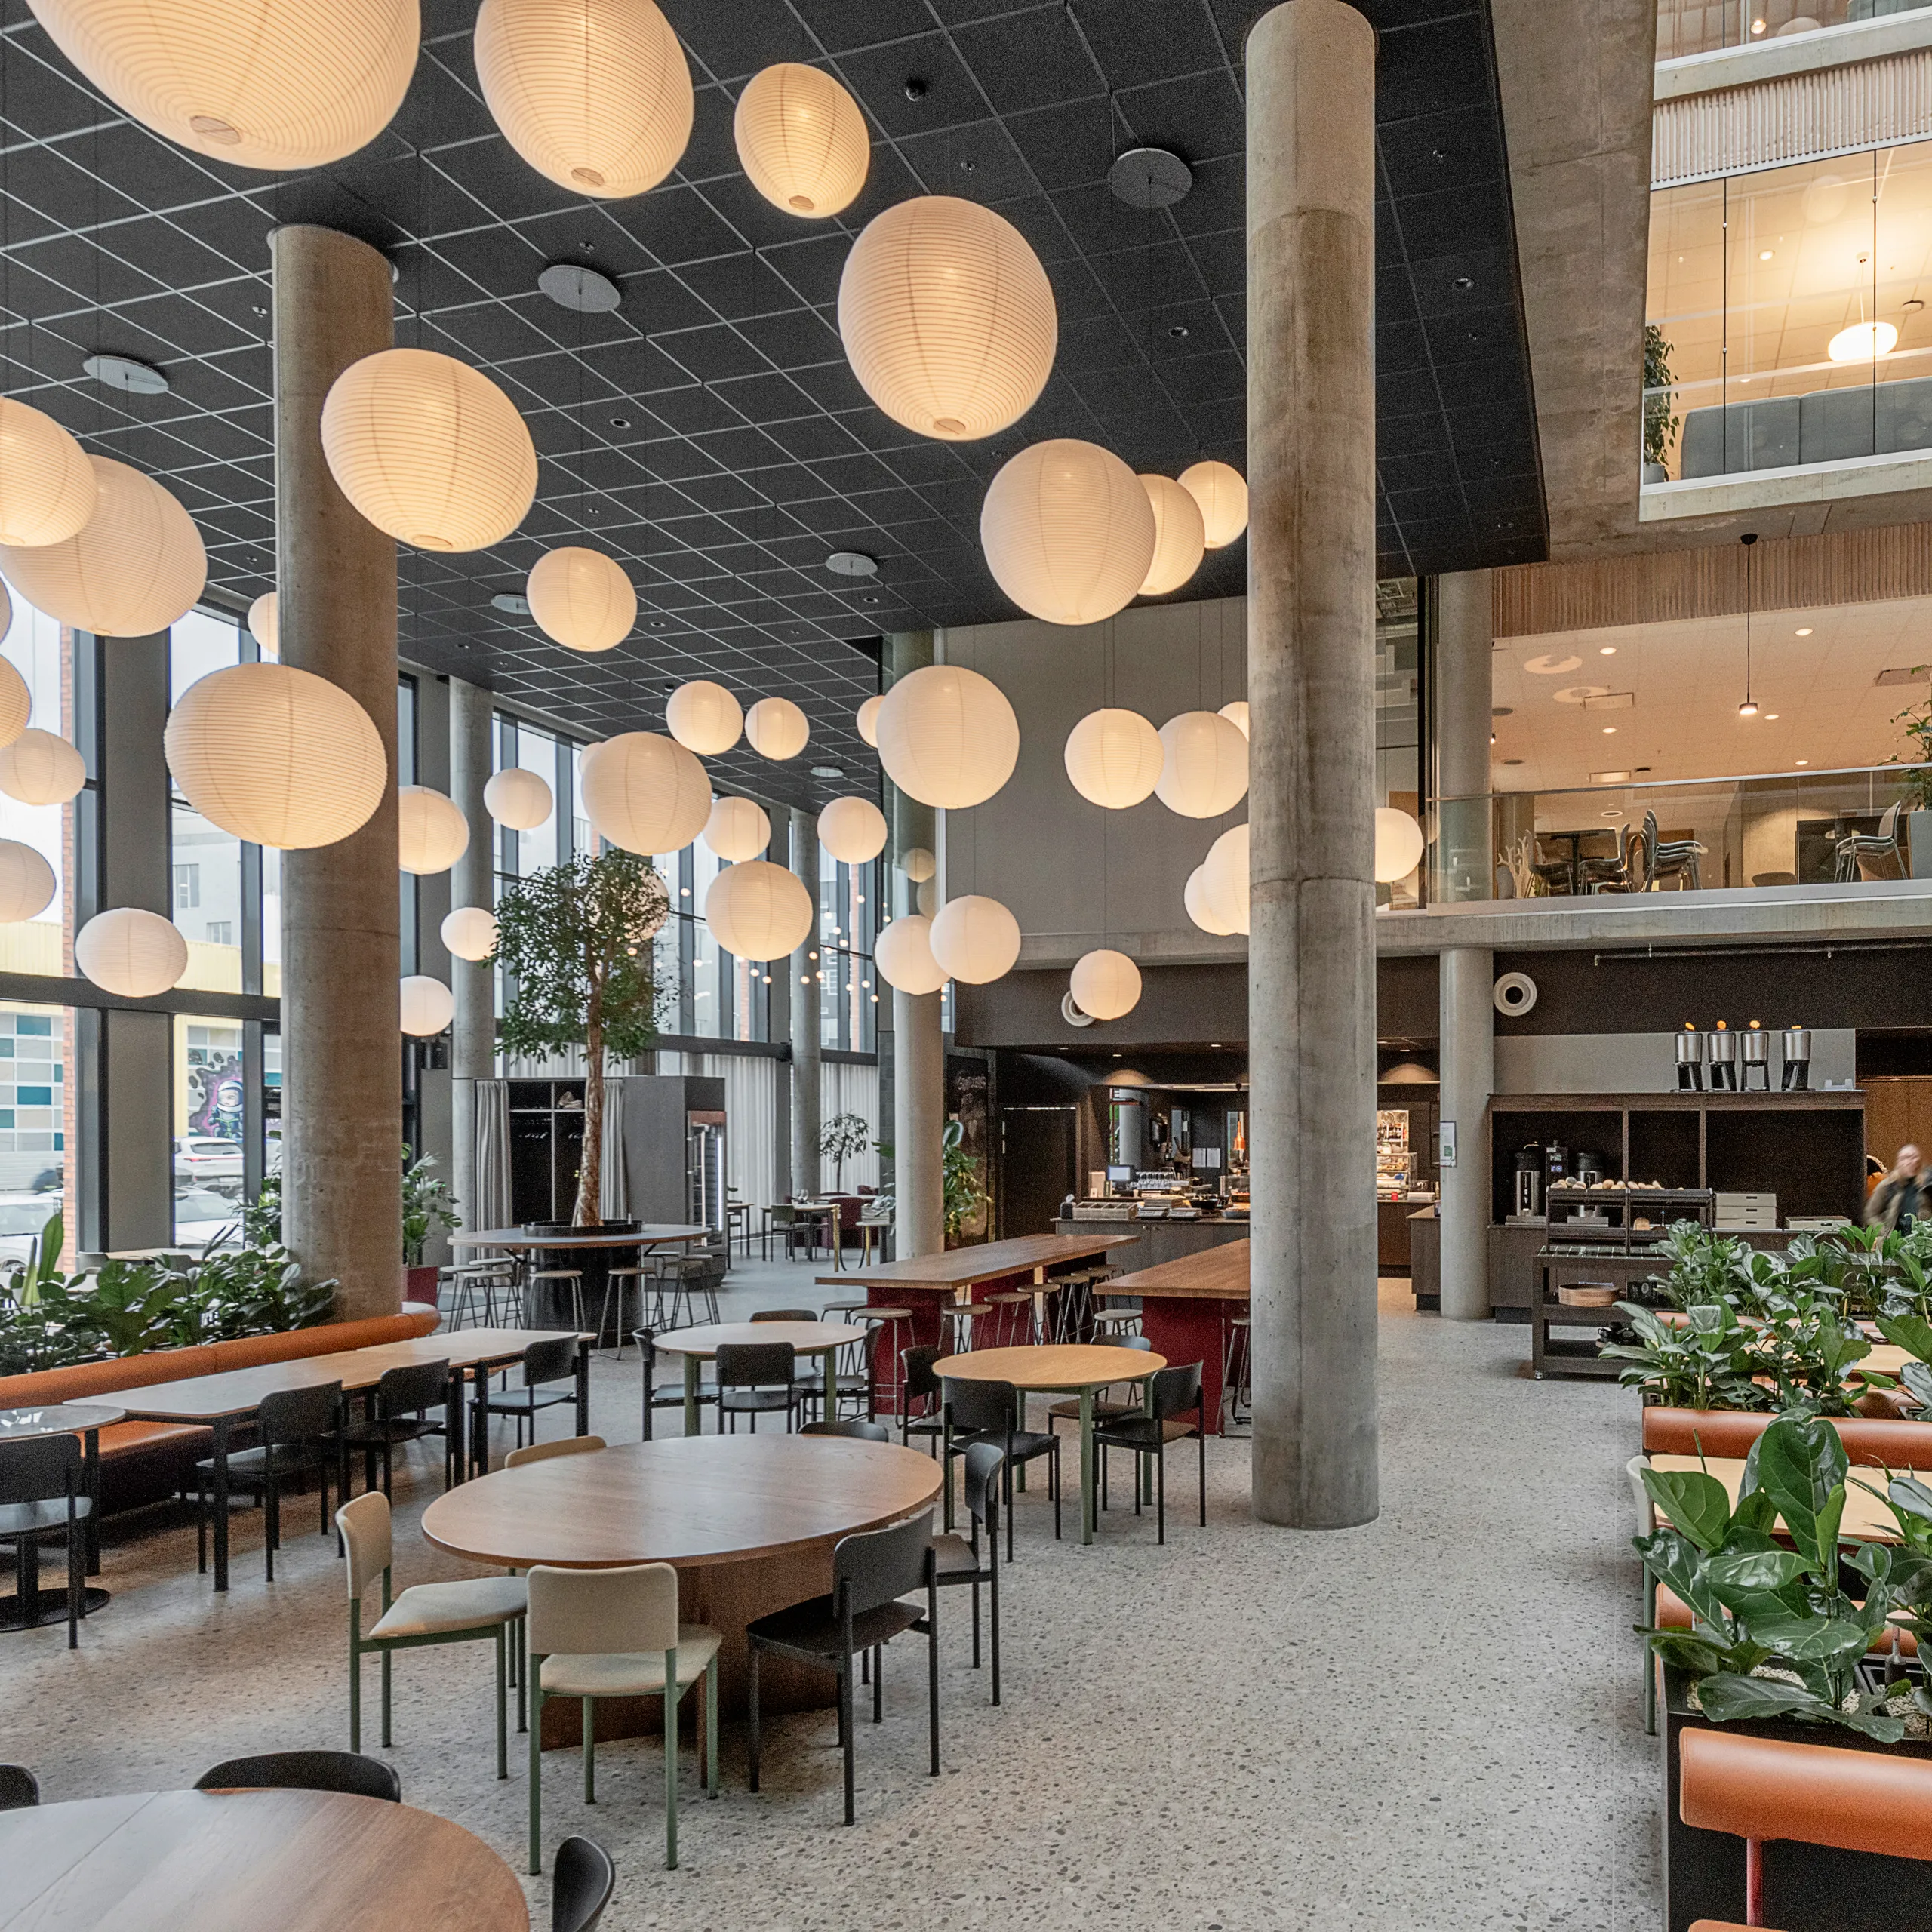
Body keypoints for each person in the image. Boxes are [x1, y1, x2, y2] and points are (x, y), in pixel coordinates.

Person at [1866, 1145, 1924, 1232]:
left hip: (1919, 1239)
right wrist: (1884, 1232)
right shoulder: (1887, 1185)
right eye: (1906, 1158)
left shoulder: (1925, 1186)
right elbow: (1870, 1214)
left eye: (1914, 1157)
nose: (1911, 1162)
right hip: (1894, 1239)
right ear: (1899, 1161)